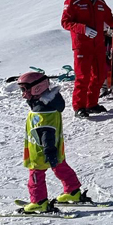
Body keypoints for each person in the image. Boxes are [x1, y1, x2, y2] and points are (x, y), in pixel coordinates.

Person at [16, 72, 85, 213]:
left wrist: (49, 150)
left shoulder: (42, 111)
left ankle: (39, 202)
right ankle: (73, 191)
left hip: (41, 151)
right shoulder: (48, 104)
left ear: (37, 88)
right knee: (60, 167)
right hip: (55, 148)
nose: (23, 94)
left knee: (36, 176)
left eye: (24, 90)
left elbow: (46, 132)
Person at [61, 0, 113, 117]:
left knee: (99, 76)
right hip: (82, 45)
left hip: (98, 45)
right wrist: (83, 29)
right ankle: (79, 106)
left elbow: (110, 21)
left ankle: (91, 103)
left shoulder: (100, 3)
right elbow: (65, 22)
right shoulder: (73, 2)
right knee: (83, 77)